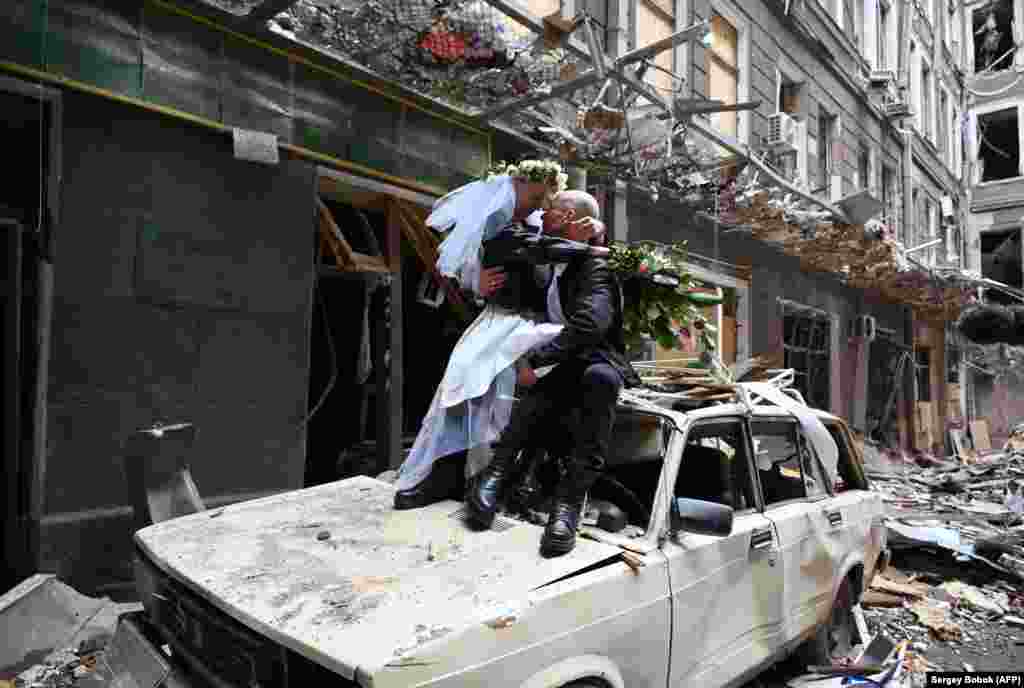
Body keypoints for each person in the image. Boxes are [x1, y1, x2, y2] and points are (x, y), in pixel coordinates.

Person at [392, 161, 605, 509]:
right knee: (462, 391)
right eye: (541, 200)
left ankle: (507, 483)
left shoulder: (554, 238)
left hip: (541, 336)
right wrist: (587, 246)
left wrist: (592, 239)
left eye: (553, 205)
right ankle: (447, 475)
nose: (544, 208)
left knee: (515, 411)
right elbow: (533, 249)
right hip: (500, 326)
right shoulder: (506, 231)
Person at [466, 190, 641, 557]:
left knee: (599, 381)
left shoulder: (598, 268)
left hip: (592, 357)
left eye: (555, 211)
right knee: (543, 389)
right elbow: (505, 247)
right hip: (561, 358)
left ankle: (569, 505)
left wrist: (539, 359)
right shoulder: (548, 257)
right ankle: (496, 475)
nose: (544, 216)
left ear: (578, 222)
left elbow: (591, 325)